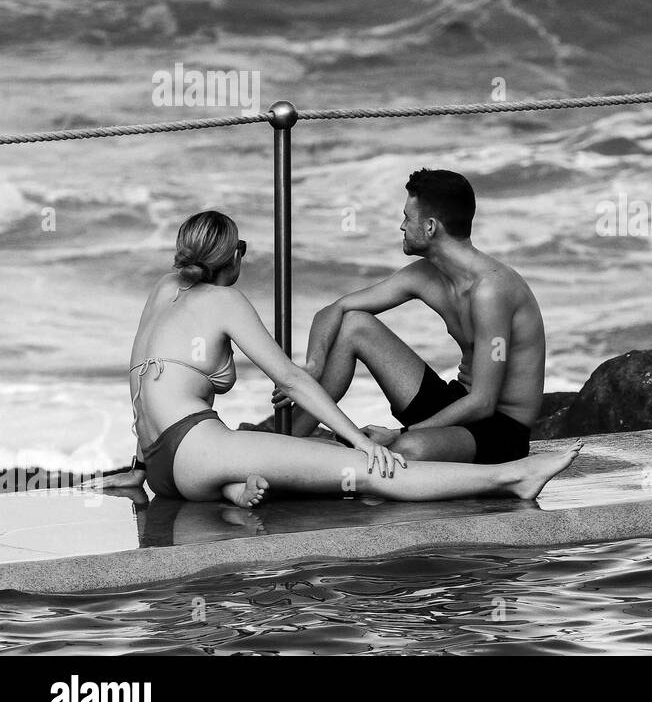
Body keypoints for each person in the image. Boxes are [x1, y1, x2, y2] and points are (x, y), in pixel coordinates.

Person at [100, 210, 580, 506]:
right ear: (230, 258)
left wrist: (140, 465)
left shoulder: (163, 289)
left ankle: (239, 486)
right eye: (241, 251)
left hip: (161, 469)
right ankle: (513, 477)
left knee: (289, 459)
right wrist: (361, 442)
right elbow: (289, 379)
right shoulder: (223, 300)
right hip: (197, 452)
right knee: (369, 474)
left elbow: (142, 385)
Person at [251, 169, 545, 466]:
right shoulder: (426, 275)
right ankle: (284, 447)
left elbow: (483, 402)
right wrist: (313, 367)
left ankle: (334, 454)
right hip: (456, 403)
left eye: (407, 217)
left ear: (430, 227)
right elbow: (334, 310)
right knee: (354, 324)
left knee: (408, 450)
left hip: (500, 426)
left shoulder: (491, 291)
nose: (401, 226)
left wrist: (399, 433)